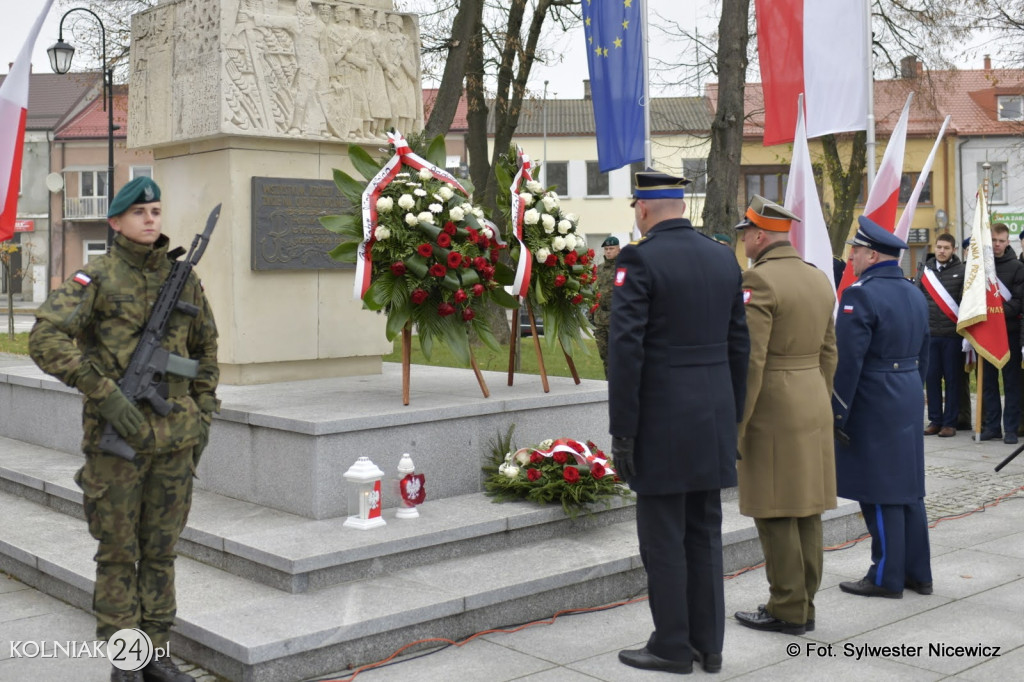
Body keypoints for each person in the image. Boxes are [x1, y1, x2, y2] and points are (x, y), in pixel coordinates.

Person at [28, 177, 220, 682]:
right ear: (115, 222)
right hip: (118, 445)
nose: (151, 219)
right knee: (118, 554)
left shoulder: (184, 279)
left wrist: (202, 414)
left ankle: (157, 653)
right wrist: (105, 393)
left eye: (156, 210)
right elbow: (45, 337)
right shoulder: (97, 277)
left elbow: (206, 352)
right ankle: (126, 660)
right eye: (139, 212)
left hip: (175, 442)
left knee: (161, 552)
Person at [608, 170, 749, 675]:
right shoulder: (721, 256)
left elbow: (626, 351)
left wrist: (623, 431)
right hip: (712, 415)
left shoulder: (638, 259)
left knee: (663, 538)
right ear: (680, 205)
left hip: (663, 420)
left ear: (644, 208)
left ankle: (671, 645)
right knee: (704, 533)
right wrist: (730, 416)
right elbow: (739, 346)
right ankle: (709, 645)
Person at [731, 196, 837, 636]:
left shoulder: (759, 279)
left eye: (744, 235)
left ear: (759, 235)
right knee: (807, 509)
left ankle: (786, 607)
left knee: (774, 509)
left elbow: (752, 360)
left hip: (773, 406)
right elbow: (830, 352)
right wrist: (819, 397)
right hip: (812, 398)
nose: (743, 242)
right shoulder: (817, 278)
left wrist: (738, 424)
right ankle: (805, 602)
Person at [832, 216, 932, 600]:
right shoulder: (913, 292)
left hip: (874, 396)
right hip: (905, 390)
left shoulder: (860, 294)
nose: (852, 257)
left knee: (879, 489)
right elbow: (923, 355)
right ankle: (918, 573)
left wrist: (838, 412)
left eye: (855, 251)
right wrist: (912, 388)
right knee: (908, 487)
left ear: (872, 255)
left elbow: (848, 362)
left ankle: (886, 576)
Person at [980, 222, 1024, 443]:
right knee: (988, 382)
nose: (997, 245)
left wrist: (995, 315)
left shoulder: (1017, 267)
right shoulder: (979, 267)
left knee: (1011, 383)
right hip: (986, 334)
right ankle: (992, 426)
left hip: (1009, 333)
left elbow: (1018, 302)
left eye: (1001, 241)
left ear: (1008, 242)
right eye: (994, 241)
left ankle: (1010, 429)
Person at [918, 233, 966, 437]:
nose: (942, 251)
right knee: (932, 378)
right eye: (939, 247)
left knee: (953, 380)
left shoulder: (962, 271)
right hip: (930, 335)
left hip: (952, 335)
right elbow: (918, 299)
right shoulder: (924, 271)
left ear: (953, 250)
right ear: (934, 248)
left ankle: (950, 422)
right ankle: (935, 420)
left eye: (946, 247)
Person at [593, 235, 620, 378]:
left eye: (611, 248)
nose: (608, 251)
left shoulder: (623, 269)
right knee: (605, 357)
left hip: (616, 320)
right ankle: (608, 386)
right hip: (600, 319)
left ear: (618, 250)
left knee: (618, 357)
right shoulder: (599, 269)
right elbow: (593, 292)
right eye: (606, 249)